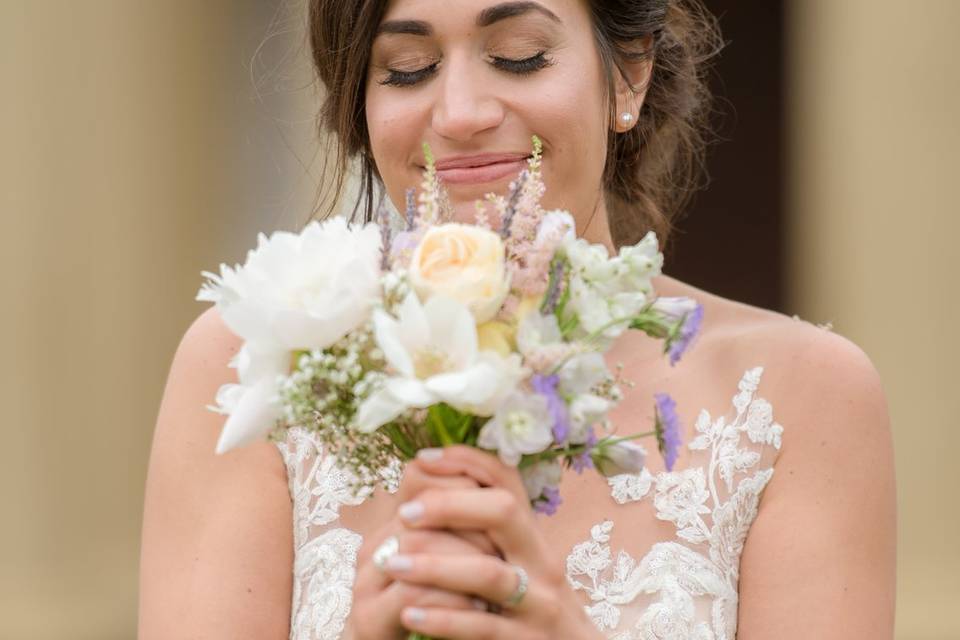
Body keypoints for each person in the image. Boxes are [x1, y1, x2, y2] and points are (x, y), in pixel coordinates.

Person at [138, 0, 897, 638]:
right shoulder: (256, 360)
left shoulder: (800, 394)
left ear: (628, 73)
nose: (461, 114)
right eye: (407, 70)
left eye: (520, 56)